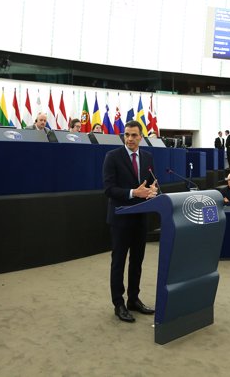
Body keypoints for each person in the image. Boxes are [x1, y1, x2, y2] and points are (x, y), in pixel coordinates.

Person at [102, 120, 158, 323]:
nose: (130, 139)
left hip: (141, 218)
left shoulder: (148, 156)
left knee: (137, 261)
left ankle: (134, 299)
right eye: (127, 135)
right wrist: (135, 192)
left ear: (141, 137)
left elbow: (151, 182)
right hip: (120, 218)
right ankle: (119, 303)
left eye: (134, 135)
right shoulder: (112, 157)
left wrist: (153, 191)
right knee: (119, 262)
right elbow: (109, 189)